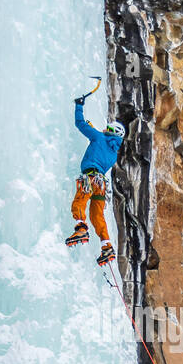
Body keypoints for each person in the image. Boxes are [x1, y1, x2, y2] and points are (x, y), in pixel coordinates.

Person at [65, 95, 125, 266]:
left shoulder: (99, 137)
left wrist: (79, 106)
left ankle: (81, 228)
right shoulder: (114, 152)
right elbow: (101, 147)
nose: (105, 129)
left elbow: (80, 124)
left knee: (79, 202)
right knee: (97, 215)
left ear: (111, 131)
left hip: (90, 178)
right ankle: (106, 245)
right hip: (101, 184)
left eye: (108, 128)